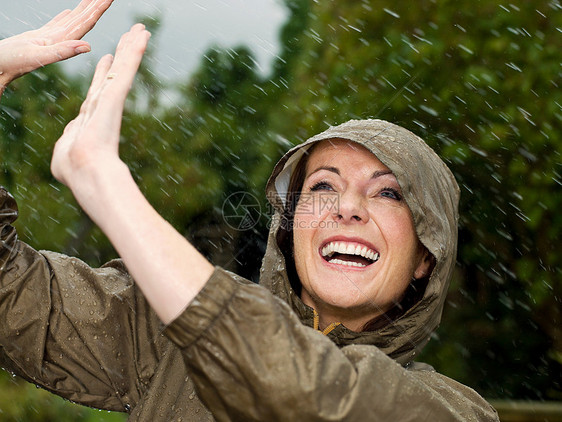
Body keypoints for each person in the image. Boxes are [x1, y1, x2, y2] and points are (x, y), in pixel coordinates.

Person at [0, 6, 500, 422]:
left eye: (389, 194)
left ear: (425, 257)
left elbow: (304, 396)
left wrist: (108, 188)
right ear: (290, 225)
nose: (347, 208)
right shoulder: (159, 333)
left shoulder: (451, 411)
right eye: (324, 185)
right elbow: (11, 297)